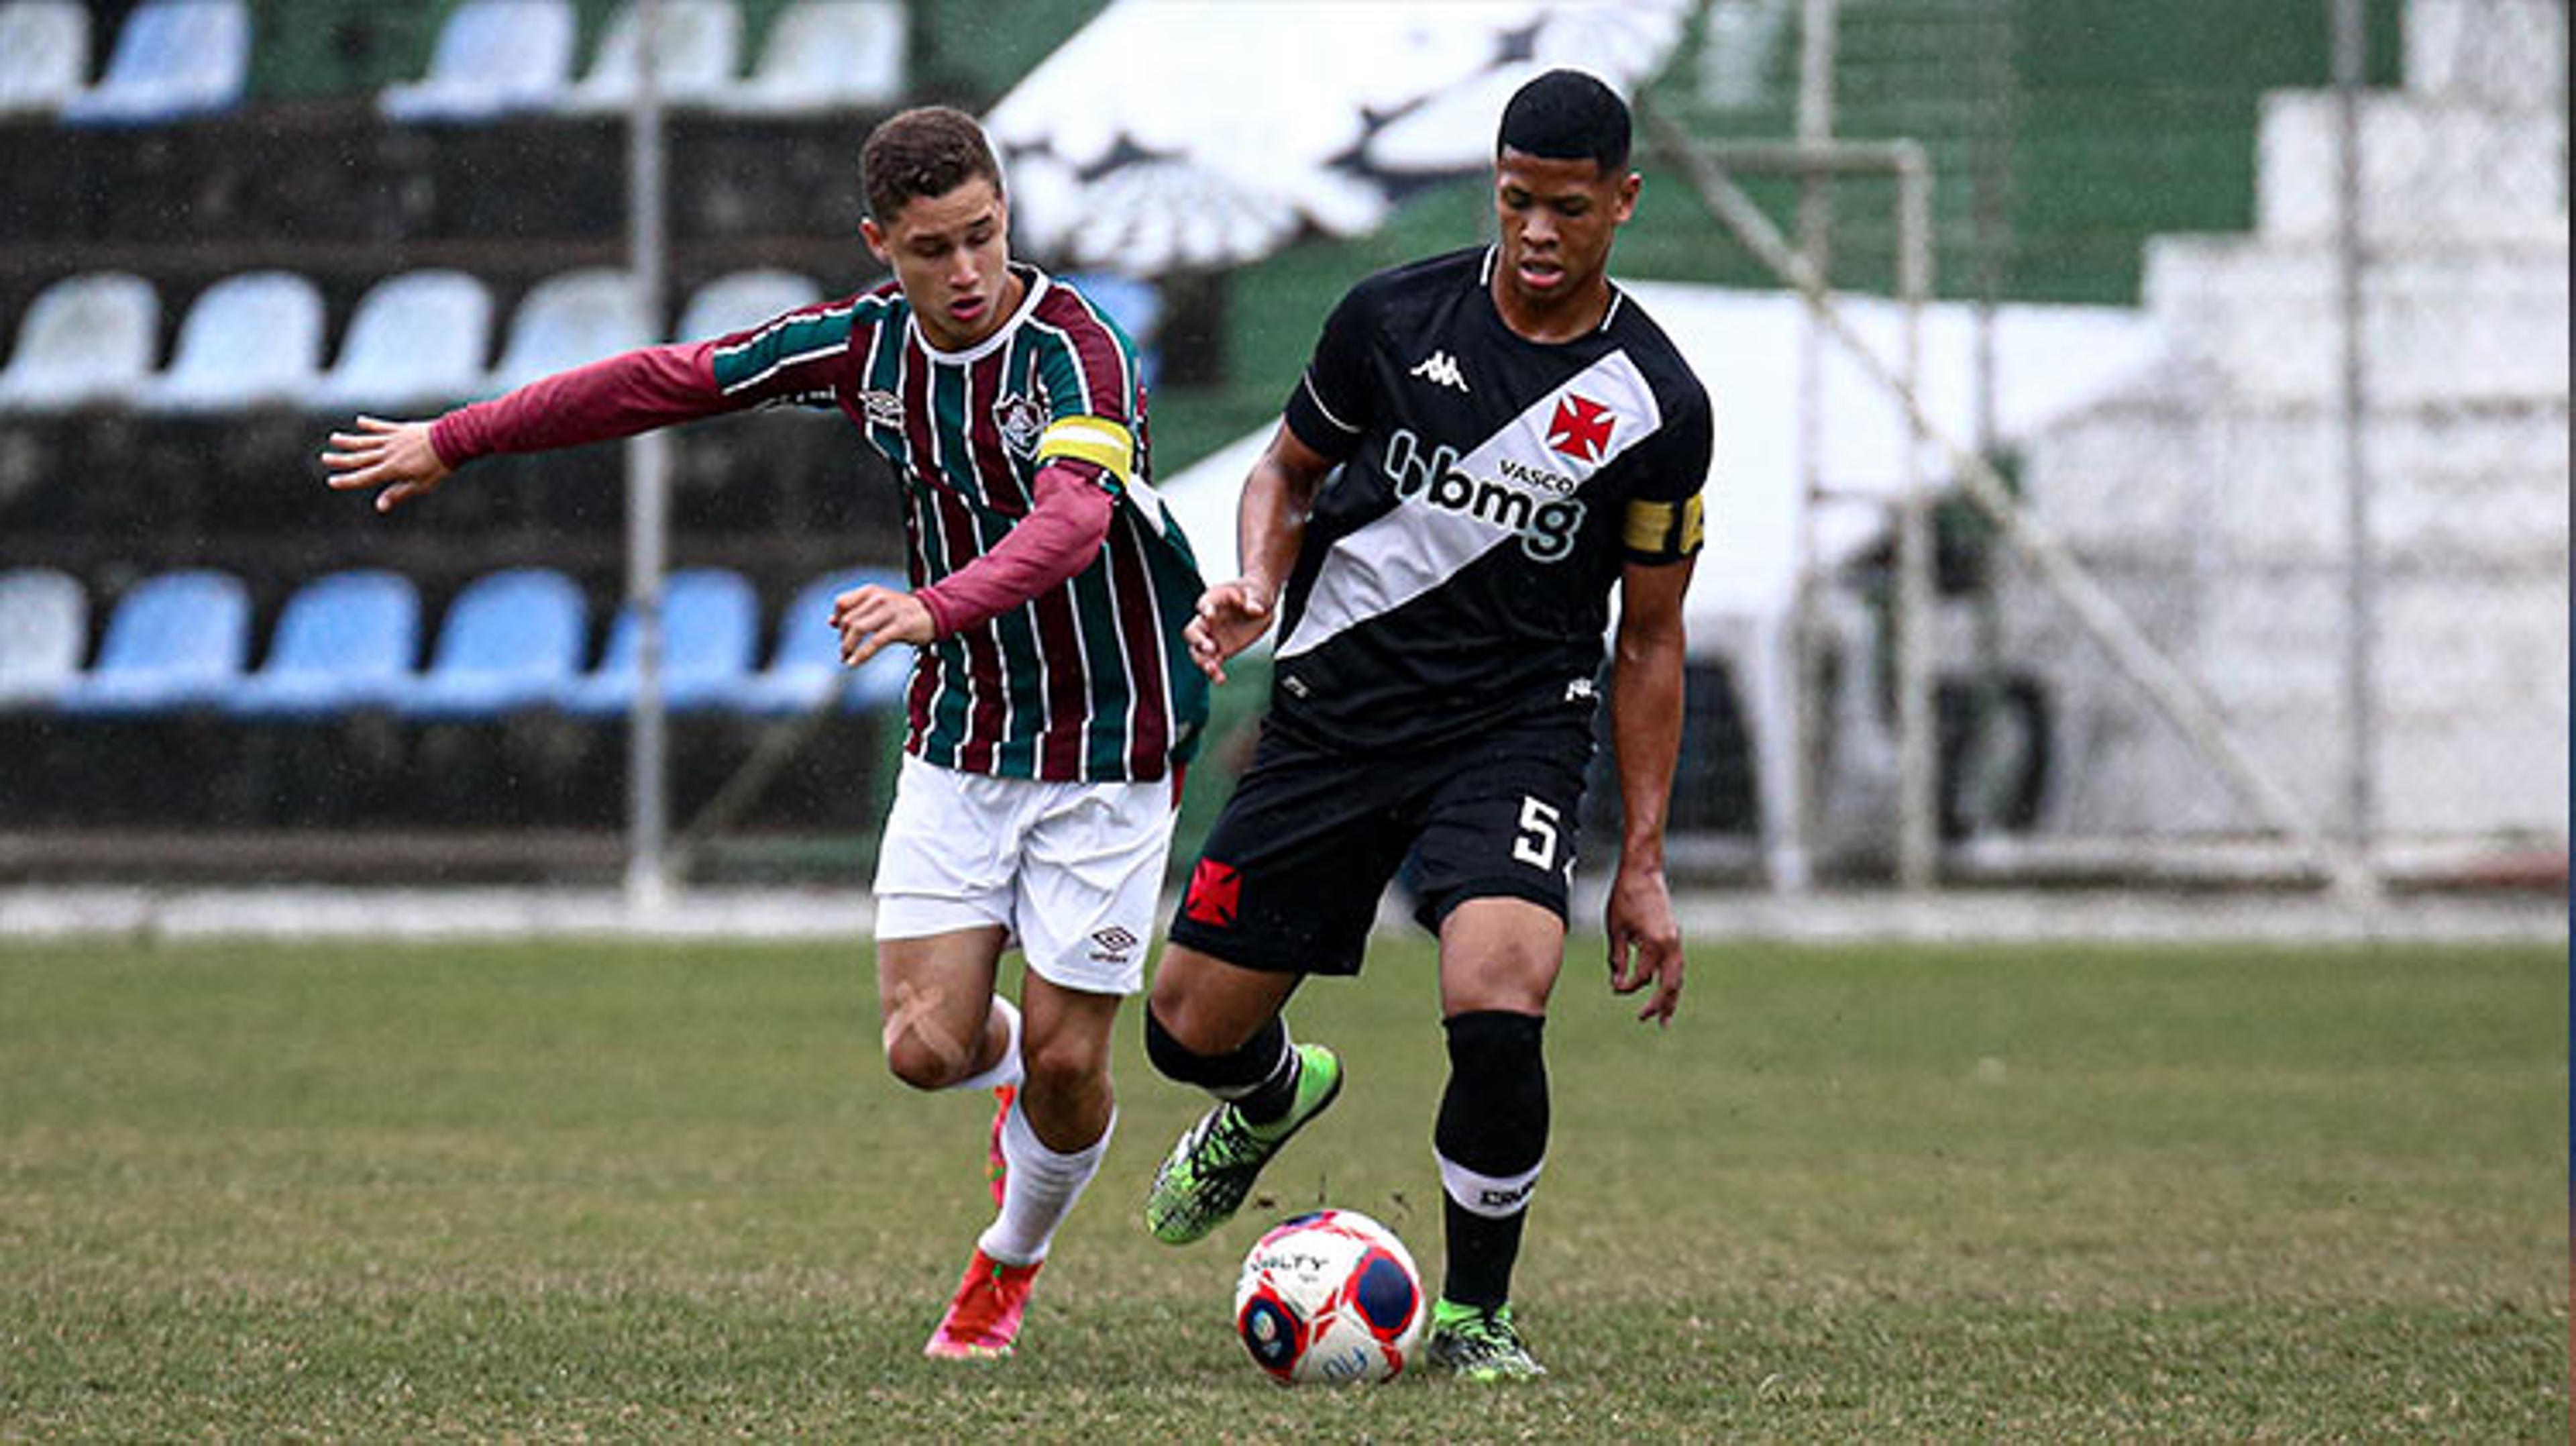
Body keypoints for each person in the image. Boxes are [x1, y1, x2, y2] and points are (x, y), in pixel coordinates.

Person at [320, 106, 1208, 1361]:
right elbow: (663, 380)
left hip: (1111, 743)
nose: (965, 273)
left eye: (983, 237)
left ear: (1007, 213)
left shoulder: (1080, 354)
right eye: (930, 249)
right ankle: (997, 1078)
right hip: (966, 733)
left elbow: (1069, 521)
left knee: (1074, 1068)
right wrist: (457, 439)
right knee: (924, 1048)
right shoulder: (864, 347)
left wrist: (931, 606)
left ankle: (1007, 1264)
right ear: (879, 245)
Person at [1135, 68, 1709, 1382]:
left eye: (1570, 208)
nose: (1540, 233)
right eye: (1517, 202)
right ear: (1493, 188)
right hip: (1335, 720)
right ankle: (1272, 1097)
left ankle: (1473, 1315)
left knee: (1501, 992)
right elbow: (1285, 470)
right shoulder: (1390, 318)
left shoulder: (1657, 404)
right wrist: (1258, 585)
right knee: (1184, 1029)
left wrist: (1647, 858)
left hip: (1514, 728)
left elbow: (1654, 636)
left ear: (1622, 201)